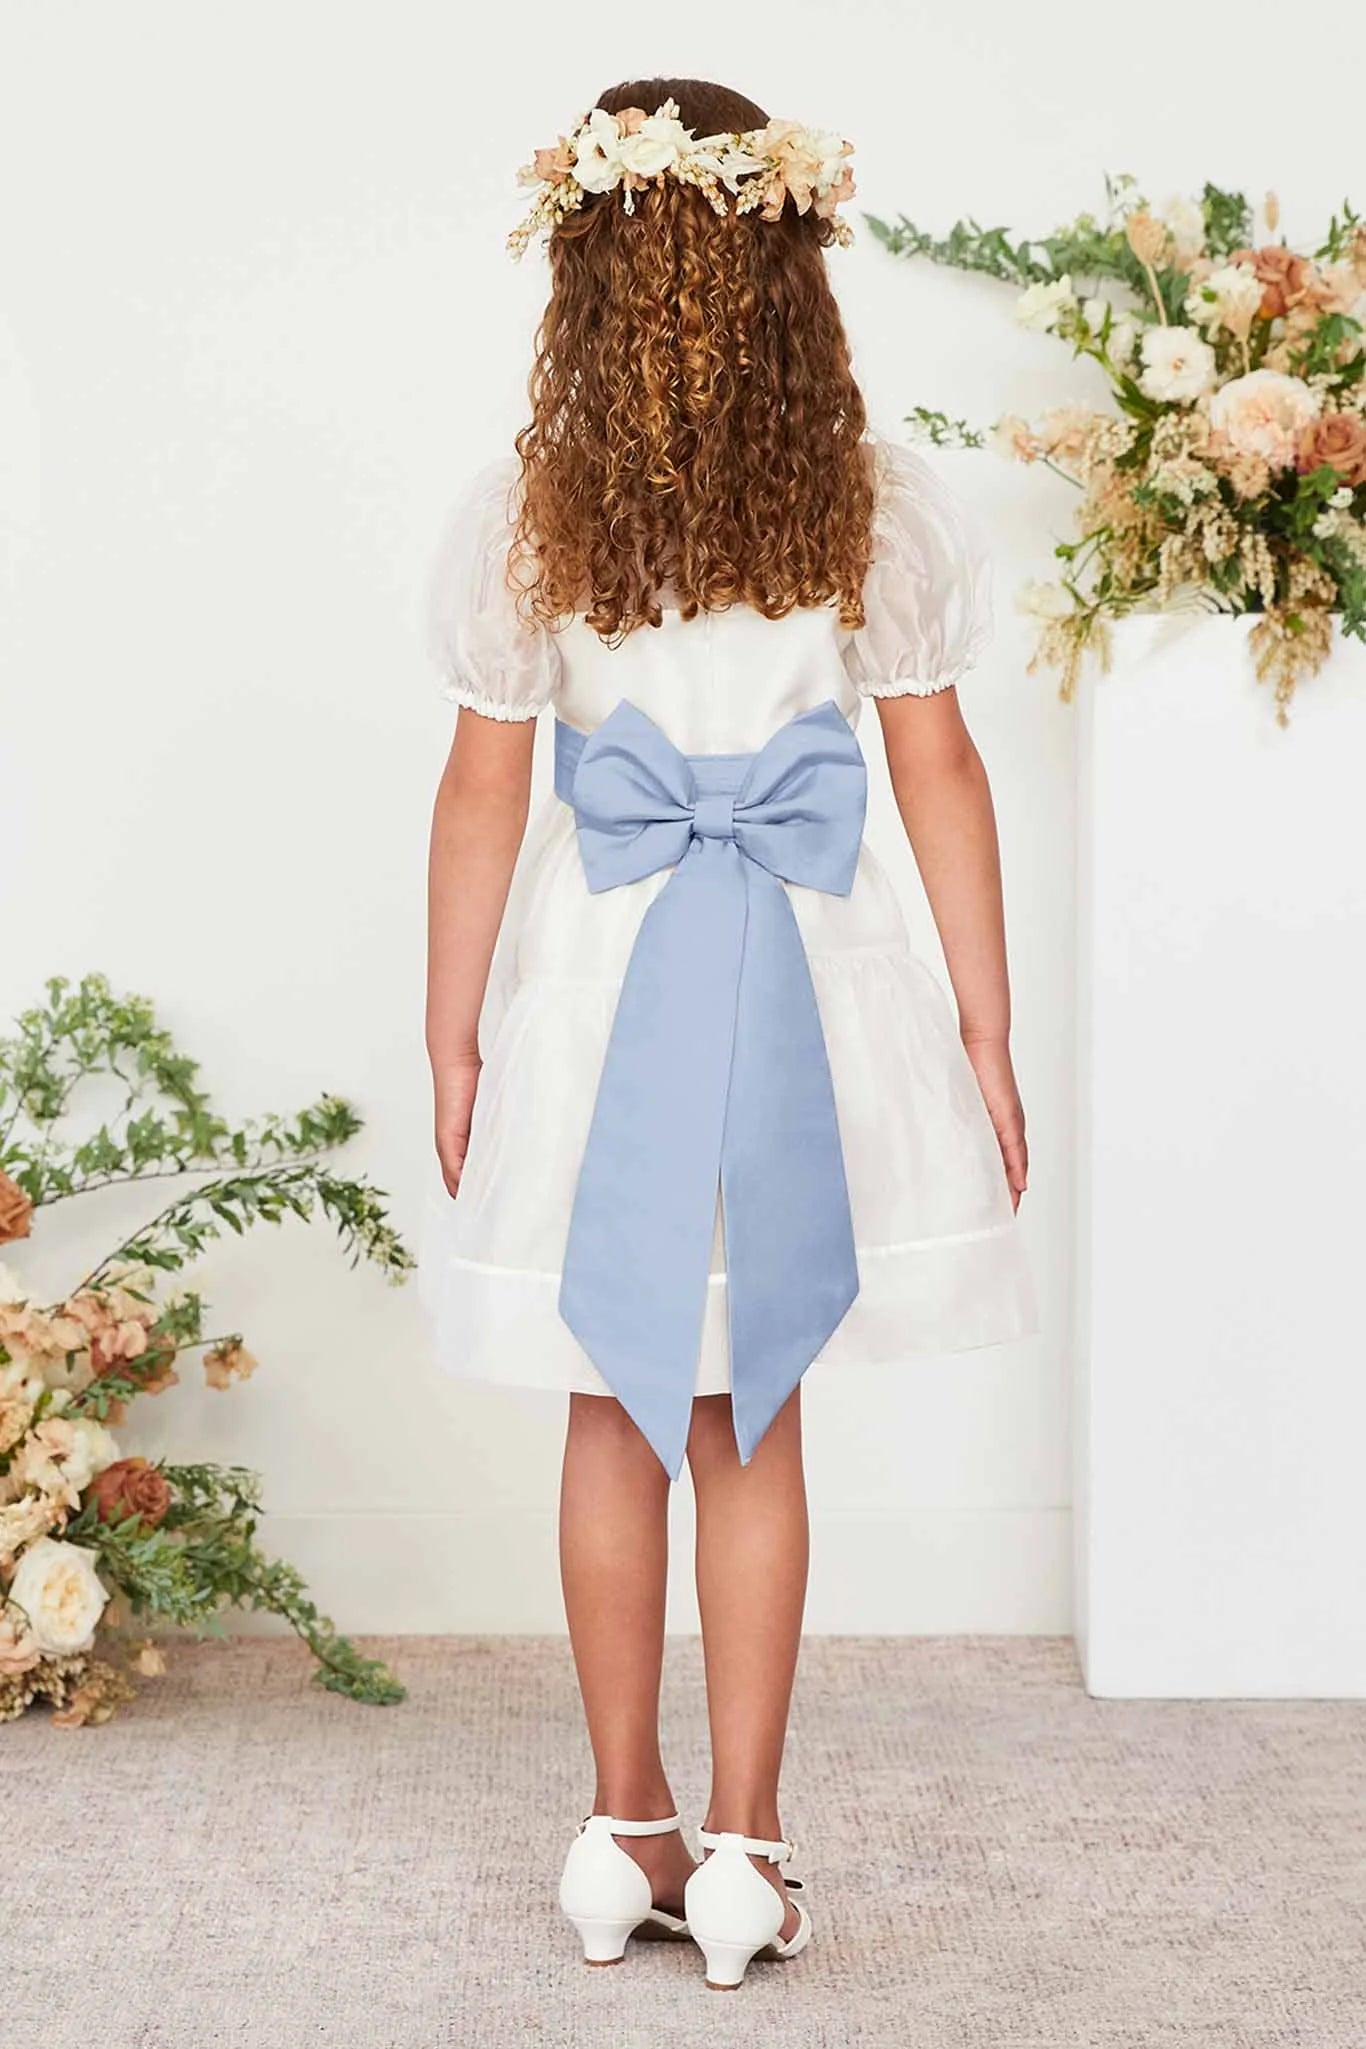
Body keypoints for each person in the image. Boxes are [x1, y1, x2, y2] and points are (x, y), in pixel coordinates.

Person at [421, 76, 1036, 1991]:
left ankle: (625, 1827)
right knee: (749, 1407)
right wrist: (982, 1025)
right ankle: (748, 1850)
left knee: (616, 1400)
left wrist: (453, 1033)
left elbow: (482, 790)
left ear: (585, 283)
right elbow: (937, 770)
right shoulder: (867, 499)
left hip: (602, 986)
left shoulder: (532, 512)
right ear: (792, 276)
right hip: (805, 976)